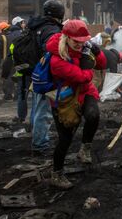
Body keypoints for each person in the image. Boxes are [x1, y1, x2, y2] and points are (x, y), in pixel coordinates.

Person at [45, 20, 106, 189]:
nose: (80, 45)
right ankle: (56, 174)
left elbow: (102, 64)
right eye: (76, 42)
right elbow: (82, 77)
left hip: (86, 92)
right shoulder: (57, 58)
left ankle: (85, 148)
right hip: (64, 99)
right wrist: (88, 67)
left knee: (93, 116)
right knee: (65, 139)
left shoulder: (85, 46)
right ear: (67, 38)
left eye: (83, 41)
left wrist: (97, 52)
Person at [28, 0, 65, 155]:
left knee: (37, 108)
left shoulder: (36, 26)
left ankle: (36, 137)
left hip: (36, 73)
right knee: (44, 111)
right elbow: (53, 52)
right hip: (46, 75)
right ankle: (40, 144)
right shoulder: (51, 29)